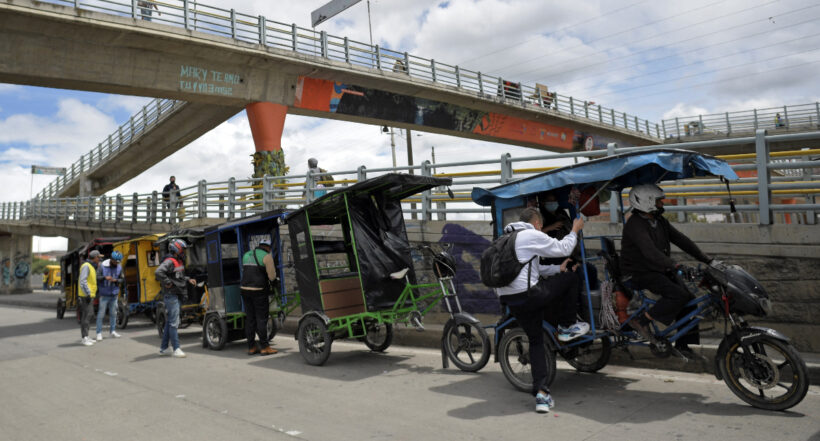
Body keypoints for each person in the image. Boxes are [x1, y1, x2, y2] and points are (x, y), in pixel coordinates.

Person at [496, 207, 589, 413]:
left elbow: (533, 270)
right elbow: (564, 248)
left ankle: (542, 395)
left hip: (510, 299)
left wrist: (558, 268)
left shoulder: (505, 239)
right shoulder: (531, 234)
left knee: (536, 340)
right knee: (571, 278)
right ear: (537, 224)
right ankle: (566, 326)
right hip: (530, 294)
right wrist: (574, 229)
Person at [620, 184, 714, 360]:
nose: (663, 203)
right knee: (677, 295)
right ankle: (641, 321)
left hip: (657, 269)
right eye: (659, 201)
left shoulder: (660, 222)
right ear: (647, 202)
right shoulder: (635, 225)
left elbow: (681, 240)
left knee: (690, 300)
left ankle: (683, 345)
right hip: (638, 273)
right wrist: (675, 266)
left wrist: (707, 259)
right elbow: (650, 252)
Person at [155, 239, 196, 358]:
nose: (184, 252)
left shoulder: (178, 261)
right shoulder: (170, 261)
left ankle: (163, 348)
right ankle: (176, 348)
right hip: (171, 295)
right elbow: (158, 272)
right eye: (183, 250)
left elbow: (179, 276)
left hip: (176, 294)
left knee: (170, 322)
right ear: (176, 250)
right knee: (174, 323)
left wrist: (188, 279)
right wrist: (167, 282)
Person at [240, 238, 279, 356]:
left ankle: (251, 347)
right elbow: (271, 276)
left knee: (250, 319)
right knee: (261, 319)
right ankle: (265, 347)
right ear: (267, 247)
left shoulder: (246, 255)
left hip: (244, 290)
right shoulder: (266, 257)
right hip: (258, 291)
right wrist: (275, 283)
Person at [95, 251, 123, 341]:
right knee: (101, 314)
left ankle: (112, 331)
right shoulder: (102, 266)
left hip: (114, 294)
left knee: (113, 313)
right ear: (111, 259)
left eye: (118, 262)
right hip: (104, 294)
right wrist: (104, 277)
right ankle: (99, 333)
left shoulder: (119, 267)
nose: (117, 263)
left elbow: (122, 279)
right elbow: (97, 277)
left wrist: (116, 280)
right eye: (115, 262)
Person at [78, 250, 101, 346]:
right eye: (98, 257)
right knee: (86, 317)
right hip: (85, 296)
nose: (99, 259)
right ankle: (84, 338)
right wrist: (87, 293)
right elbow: (83, 281)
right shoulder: (86, 266)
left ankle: (86, 336)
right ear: (94, 257)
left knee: (89, 315)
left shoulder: (91, 266)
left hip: (89, 295)